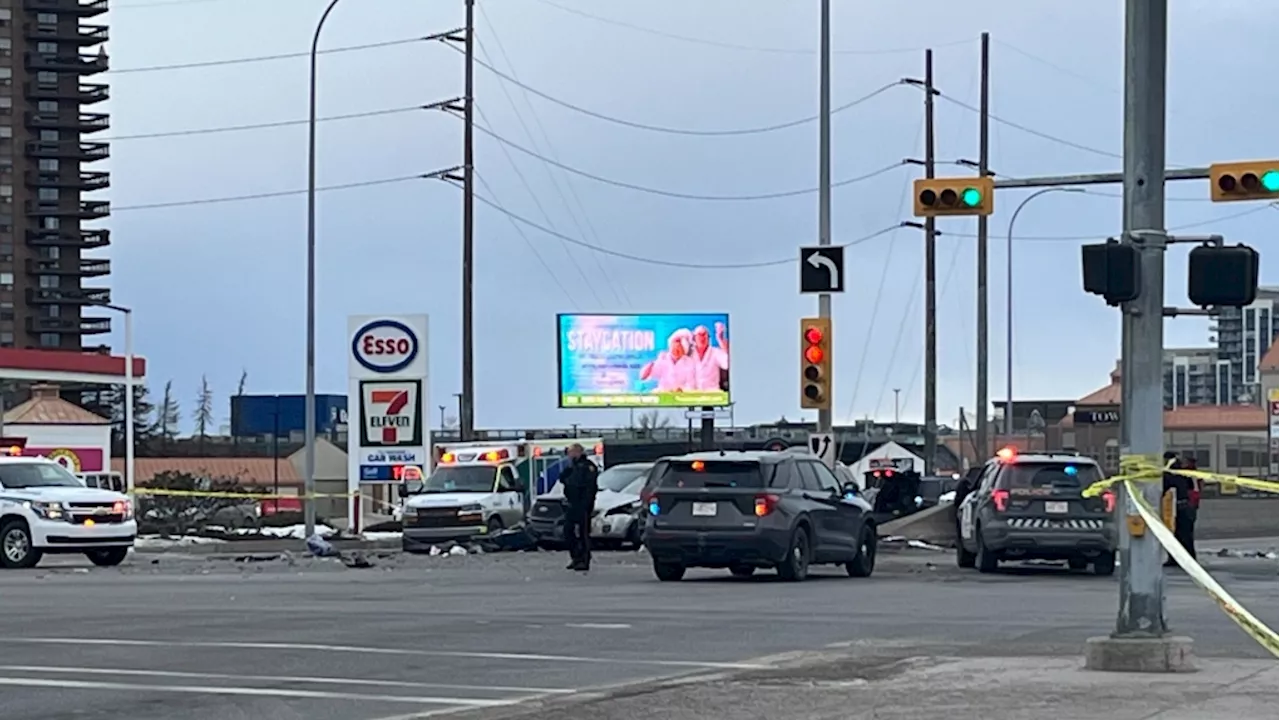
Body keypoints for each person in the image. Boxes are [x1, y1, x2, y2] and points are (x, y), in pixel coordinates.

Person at [561, 443, 599, 572]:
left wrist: (585, 505)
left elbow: (588, 488)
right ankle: (575, 557)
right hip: (572, 504)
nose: (569, 455)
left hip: (583, 505)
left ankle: (584, 559)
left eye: (571, 452)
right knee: (568, 531)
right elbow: (564, 478)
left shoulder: (588, 467)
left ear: (578, 452)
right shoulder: (573, 466)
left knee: (583, 533)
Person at [1161, 451, 1192, 567]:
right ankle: (1188, 558)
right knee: (1186, 535)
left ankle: (1177, 559)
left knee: (1176, 534)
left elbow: (1164, 488)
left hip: (1175, 508)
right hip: (1186, 506)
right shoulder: (1183, 472)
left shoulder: (1169, 473)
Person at [690, 322, 729, 391]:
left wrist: (720, 339)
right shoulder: (689, 353)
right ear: (694, 338)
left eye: (705, 335)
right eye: (699, 335)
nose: (702, 338)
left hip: (712, 394)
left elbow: (727, 364)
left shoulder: (715, 352)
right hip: (693, 394)